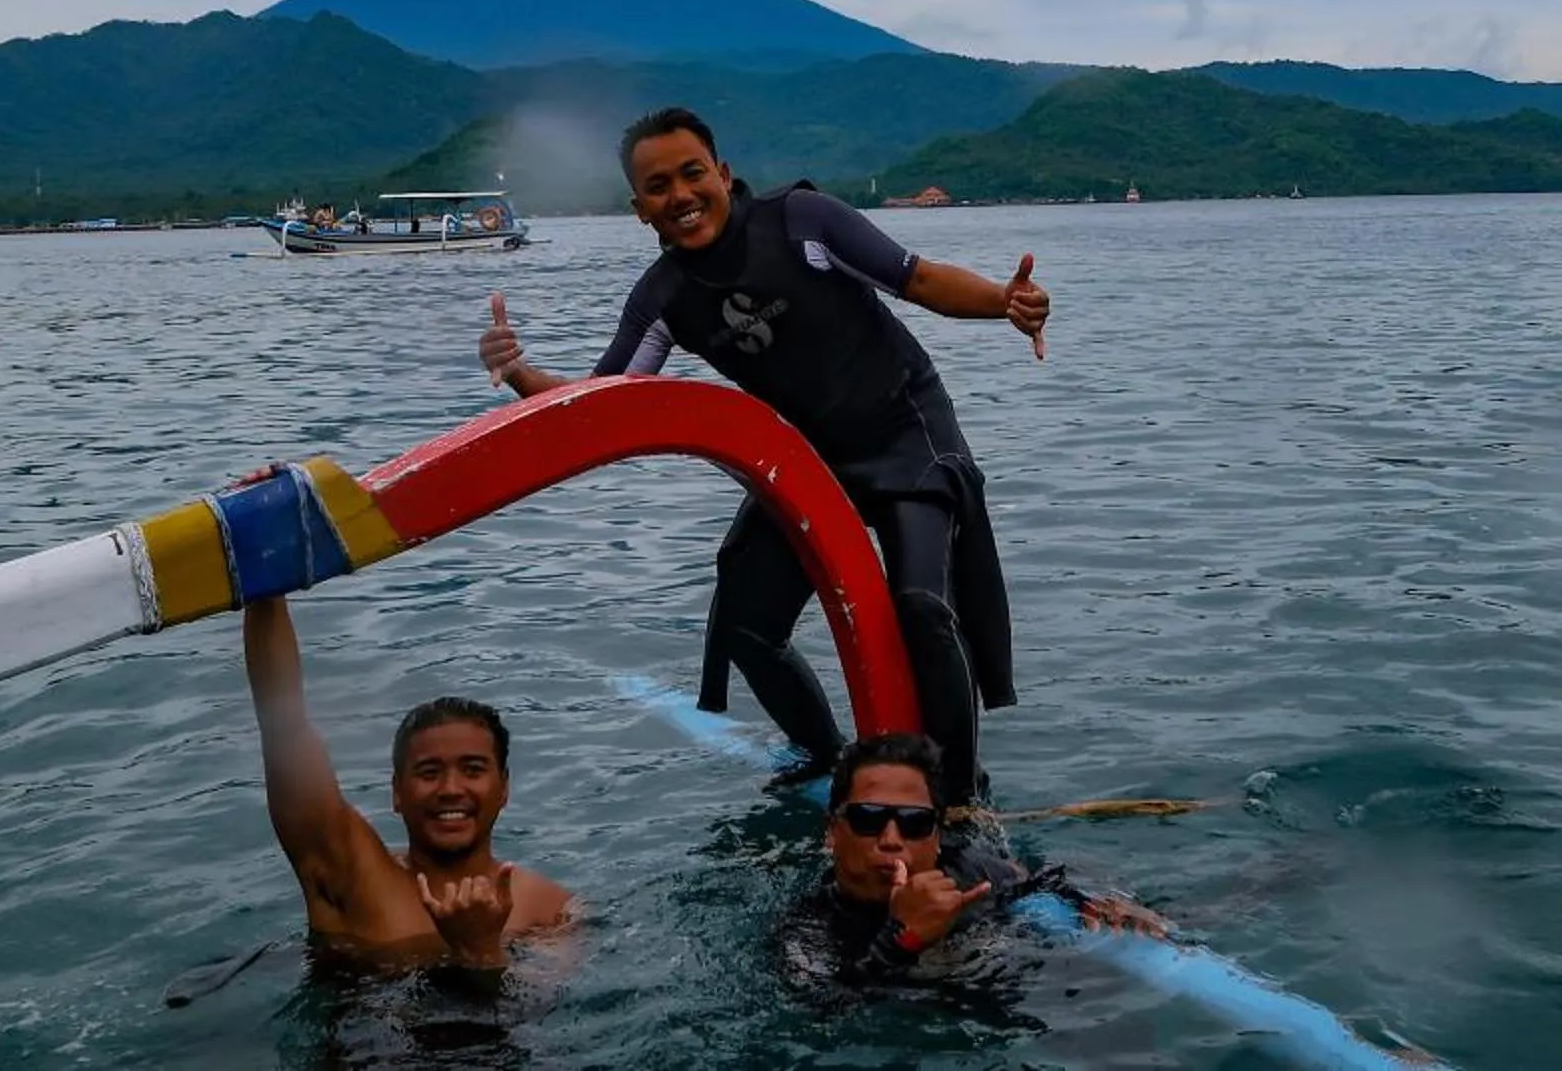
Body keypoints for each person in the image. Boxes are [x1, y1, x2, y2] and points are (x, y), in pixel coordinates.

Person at [479, 107, 1046, 812]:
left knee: (922, 607)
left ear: (723, 174)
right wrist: (521, 373)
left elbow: (919, 280)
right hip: (806, 460)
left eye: (692, 173)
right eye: (658, 187)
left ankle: (960, 800)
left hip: (905, 431)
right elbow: (603, 402)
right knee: (745, 623)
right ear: (639, 209)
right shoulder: (663, 297)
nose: (681, 196)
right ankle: (828, 758)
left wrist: (1004, 302)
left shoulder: (803, 221)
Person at [240, 593, 573, 979]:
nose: (451, 788)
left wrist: (482, 950)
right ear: (397, 792)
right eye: (429, 772)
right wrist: (266, 588)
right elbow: (284, 727)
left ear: (504, 788)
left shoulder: (552, 910)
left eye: (473, 769)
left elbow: (544, 1009)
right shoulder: (351, 877)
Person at [797, 732, 1167, 986]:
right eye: (868, 818)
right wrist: (901, 941)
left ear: (937, 837)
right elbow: (821, 1012)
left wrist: (1105, 897)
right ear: (832, 832)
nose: (891, 840)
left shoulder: (971, 871)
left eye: (914, 822)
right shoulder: (809, 929)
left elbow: (1049, 875)